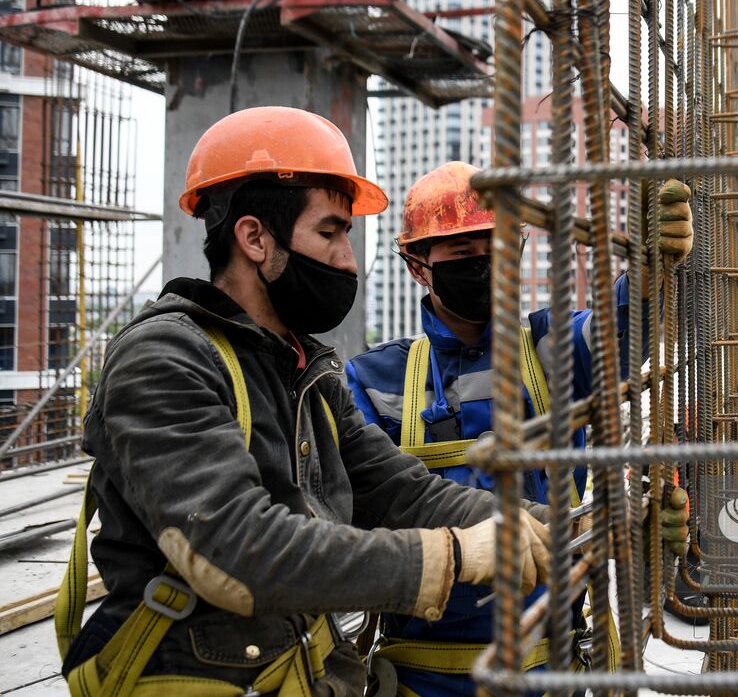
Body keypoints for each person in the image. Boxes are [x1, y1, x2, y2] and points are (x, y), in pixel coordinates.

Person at [55, 108, 557, 696]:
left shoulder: (302, 369)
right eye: (330, 232)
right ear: (254, 238)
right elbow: (236, 550)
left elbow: (394, 488)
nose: (347, 260)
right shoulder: (164, 358)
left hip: (293, 669)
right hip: (195, 675)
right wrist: (445, 557)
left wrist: (538, 525)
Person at [347, 161, 693, 696]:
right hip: (425, 677)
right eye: (463, 255)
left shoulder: (549, 348)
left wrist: (648, 277)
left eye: (499, 249)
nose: (485, 265)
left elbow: (618, 330)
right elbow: (367, 506)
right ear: (419, 266)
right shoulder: (375, 379)